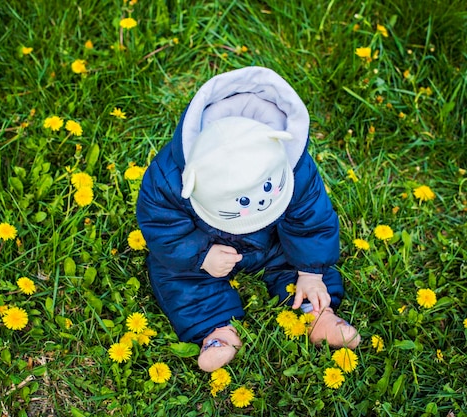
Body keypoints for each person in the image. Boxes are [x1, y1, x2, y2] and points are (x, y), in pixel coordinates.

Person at [136, 66, 360, 372]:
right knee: (174, 274)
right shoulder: (171, 178)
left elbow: (311, 218)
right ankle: (217, 332)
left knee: (302, 264)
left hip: (272, 238)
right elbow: (162, 225)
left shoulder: (288, 161)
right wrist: (201, 255)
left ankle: (317, 314)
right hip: (210, 243)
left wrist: (311, 271)